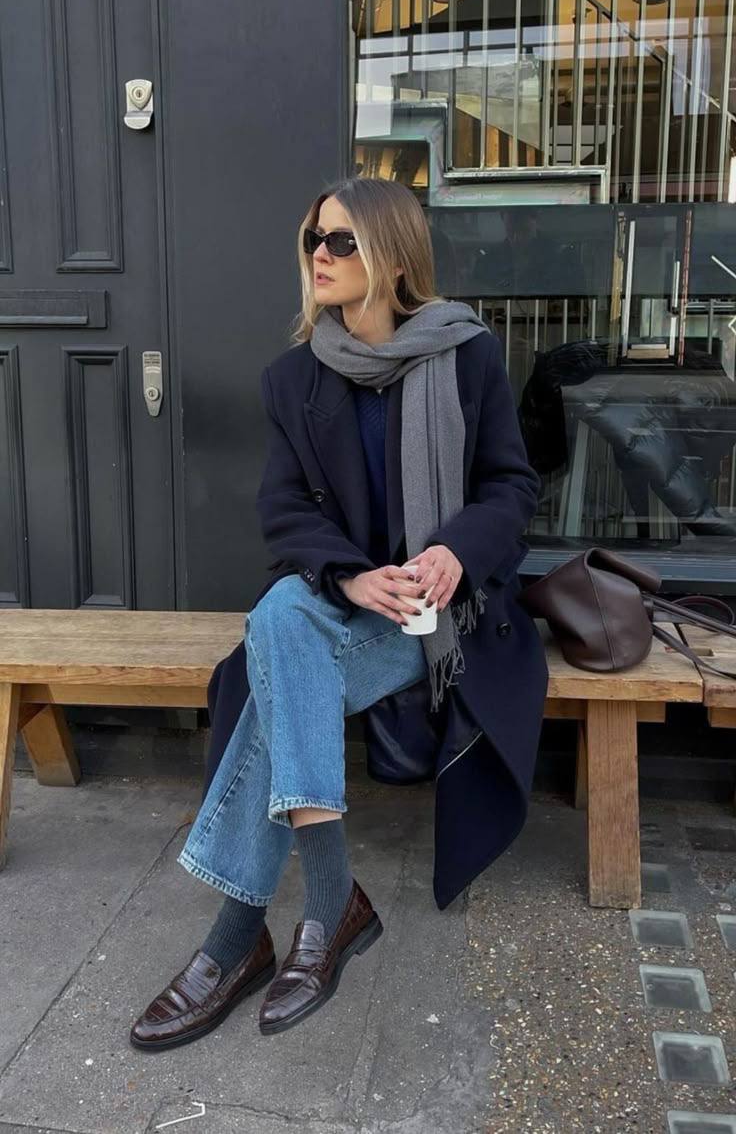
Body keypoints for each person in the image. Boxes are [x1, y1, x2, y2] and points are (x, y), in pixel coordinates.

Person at [130, 177, 548, 1051]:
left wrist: (455, 551)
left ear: (392, 258)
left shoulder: (466, 356)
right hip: (347, 604)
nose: (320, 254)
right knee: (285, 612)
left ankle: (238, 938)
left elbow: (512, 486)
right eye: (314, 239)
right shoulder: (295, 379)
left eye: (342, 241)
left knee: (276, 651)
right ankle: (330, 904)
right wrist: (354, 578)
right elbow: (284, 511)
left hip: (441, 620)